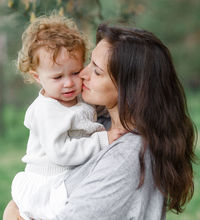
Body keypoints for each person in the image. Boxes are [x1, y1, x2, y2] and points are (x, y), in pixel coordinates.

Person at [3, 24, 196, 220]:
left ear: (129, 87)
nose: (82, 75)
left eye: (96, 71)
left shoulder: (126, 155)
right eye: (89, 64)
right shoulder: (98, 122)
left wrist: (13, 212)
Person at [10, 16, 124, 220]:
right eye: (57, 77)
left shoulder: (77, 97)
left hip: (68, 176)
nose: (69, 83)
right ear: (37, 77)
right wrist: (102, 140)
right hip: (49, 182)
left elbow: (88, 116)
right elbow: (61, 152)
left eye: (75, 72)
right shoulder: (47, 111)